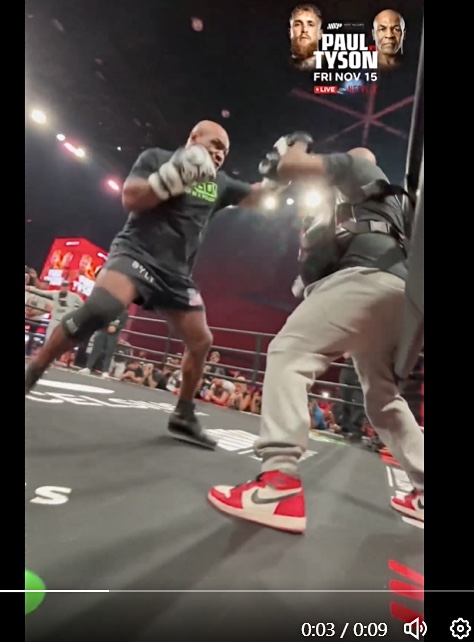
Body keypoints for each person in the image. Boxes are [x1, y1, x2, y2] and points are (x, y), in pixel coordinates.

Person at [208, 138, 424, 532]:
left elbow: (291, 166)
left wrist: (295, 145)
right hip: (398, 293)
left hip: (366, 279)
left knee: (288, 354)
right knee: (382, 400)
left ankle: (278, 484)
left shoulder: (358, 166)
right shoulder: (389, 204)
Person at [25, 120, 271, 449]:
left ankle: (184, 415)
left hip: (176, 274)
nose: (219, 154)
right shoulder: (157, 158)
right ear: (194, 137)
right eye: (214, 145)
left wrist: (278, 172)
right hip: (136, 253)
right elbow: (131, 198)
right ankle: (35, 368)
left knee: (201, 342)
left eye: (224, 151)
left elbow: (255, 197)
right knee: (101, 309)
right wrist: (172, 178)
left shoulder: (219, 182)